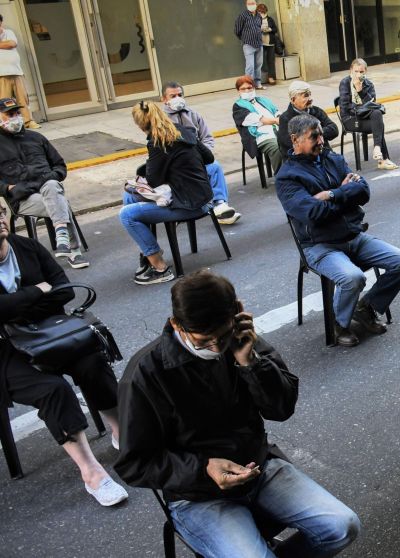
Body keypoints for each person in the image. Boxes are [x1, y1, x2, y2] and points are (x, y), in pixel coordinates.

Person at [115, 270, 361, 555]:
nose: (217, 347)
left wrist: (251, 363)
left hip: (258, 468)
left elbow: (281, 409)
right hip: (197, 496)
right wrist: (202, 468)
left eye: (223, 335)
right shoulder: (145, 374)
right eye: (204, 341)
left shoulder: (242, 340)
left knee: (343, 526)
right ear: (176, 325)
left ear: (238, 313)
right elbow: (133, 464)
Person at [0, 205, 126, 506]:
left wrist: (12, 309)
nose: (0, 220)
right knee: (52, 389)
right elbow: (44, 293)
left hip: (51, 332)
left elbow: (63, 291)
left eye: (1, 212)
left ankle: (121, 431)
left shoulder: (25, 246)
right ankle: (91, 471)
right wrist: (34, 293)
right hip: (6, 351)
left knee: (92, 360)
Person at [276, 115, 400, 346]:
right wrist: (345, 195)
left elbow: (364, 191)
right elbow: (312, 214)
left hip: (353, 236)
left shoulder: (331, 158)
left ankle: (366, 307)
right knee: (353, 278)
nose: (321, 140)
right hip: (321, 247)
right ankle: (340, 323)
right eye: (314, 136)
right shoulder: (287, 177)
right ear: (295, 140)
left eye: (321, 134)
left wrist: (332, 194)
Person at [124, 102, 215, 285]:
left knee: (126, 215)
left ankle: (160, 268)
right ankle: (147, 252)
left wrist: (153, 164)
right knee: (128, 196)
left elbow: (154, 180)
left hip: (190, 205)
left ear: (140, 125)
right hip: (202, 197)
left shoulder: (158, 143)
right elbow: (209, 157)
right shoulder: (183, 130)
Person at [0, 99, 86, 268]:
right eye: (10, 114)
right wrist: (7, 188)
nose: (15, 117)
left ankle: (66, 243)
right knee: (60, 204)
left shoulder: (36, 137)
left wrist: (50, 177)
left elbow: (60, 166)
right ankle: (72, 249)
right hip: (23, 199)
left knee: (53, 188)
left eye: (17, 113)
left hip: (49, 189)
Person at [162, 82, 241, 226]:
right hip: (177, 167)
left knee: (215, 167)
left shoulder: (193, 115)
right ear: (164, 99)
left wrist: (203, 154)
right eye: (173, 96)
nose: (177, 98)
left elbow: (207, 138)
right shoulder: (161, 120)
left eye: (180, 95)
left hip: (197, 161)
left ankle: (220, 205)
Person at [338, 59, 398, 171]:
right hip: (351, 119)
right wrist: (360, 108)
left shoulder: (368, 84)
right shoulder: (345, 83)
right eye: (356, 71)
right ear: (350, 70)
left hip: (364, 117)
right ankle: (383, 159)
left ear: (365, 72)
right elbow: (345, 106)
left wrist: (360, 91)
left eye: (361, 72)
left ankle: (377, 148)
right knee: (379, 125)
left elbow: (372, 104)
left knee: (377, 113)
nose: (358, 74)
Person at [232, 75, 284, 173]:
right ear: (238, 91)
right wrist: (275, 120)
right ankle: (282, 179)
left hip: (278, 131)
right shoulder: (238, 106)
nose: (247, 91)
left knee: (298, 142)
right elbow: (257, 120)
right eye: (243, 89)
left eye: (249, 88)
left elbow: (276, 111)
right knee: (277, 148)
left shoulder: (263, 100)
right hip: (261, 136)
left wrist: (279, 117)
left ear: (254, 88)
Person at [276, 80, 338, 157]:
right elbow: (289, 145)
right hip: (300, 162)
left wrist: (313, 134)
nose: (310, 99)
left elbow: (334, 130)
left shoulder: (316, 111)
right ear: (293, 100)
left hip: (324, 155)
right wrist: (317, 135)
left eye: (309, 95)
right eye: (305, 96)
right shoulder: (285, 118)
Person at [0, 15, 39, 129]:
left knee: (23, 98)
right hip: (1, 75)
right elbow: (7, 44)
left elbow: (12, 44)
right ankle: (5, 124)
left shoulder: (9, 32)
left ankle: (28, 121)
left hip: (16, 72)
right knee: (4, 101)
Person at [233, 0, 265, 90]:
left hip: (259, 43)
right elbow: (237, 30)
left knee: (258, 65)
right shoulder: (242, 16)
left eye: (253, 3)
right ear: (246, 5)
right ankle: (248, 85)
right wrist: (244, 39)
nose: (251, 5)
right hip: (248, 44)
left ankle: (258, 83)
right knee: (250, 66)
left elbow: (259, 27)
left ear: (256, 4)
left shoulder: (259, 16)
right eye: (249, 3)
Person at [257, 4, 279, 86]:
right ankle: (260, 78)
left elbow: (275, 29)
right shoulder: (255, 20)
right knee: (261, 61)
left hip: (270, 42)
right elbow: (252, 30)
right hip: (260, 43)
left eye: (263, 12)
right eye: (260, 12)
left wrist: (269, 29)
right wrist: (260, 30)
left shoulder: (270, 19)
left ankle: (271, 77)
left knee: (271, 61)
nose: (262, 13)